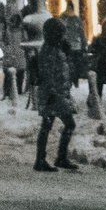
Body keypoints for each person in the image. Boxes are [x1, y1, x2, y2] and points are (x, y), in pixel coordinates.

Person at [32, 18, 81, 172]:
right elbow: (49, 73)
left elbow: (62, 69)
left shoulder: (54, 48)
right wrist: (53, 91)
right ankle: (53, 158)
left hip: (56, 94)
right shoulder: (49, 51)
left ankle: (44, 158)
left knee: (48, 125)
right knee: (66, 124)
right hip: (54, 95)